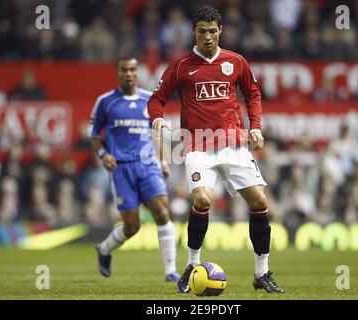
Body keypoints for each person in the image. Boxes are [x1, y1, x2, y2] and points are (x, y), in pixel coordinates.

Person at [148, 6, 284, 293]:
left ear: (220, 30)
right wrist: (158, 119)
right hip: (198, 144)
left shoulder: (235, 61)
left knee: (259, 202)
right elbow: (156, 99)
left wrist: (255, 126)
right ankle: (191, 265)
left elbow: (253, 93)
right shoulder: (181, 65)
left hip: (233, 143)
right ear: (193, 32)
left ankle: (261, 273)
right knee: (201, 199)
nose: (207, 37)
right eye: (202, 32)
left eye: (212, 31)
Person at [89, 57, 180, 282]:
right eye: (124, 70)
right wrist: (103, 155)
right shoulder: (105, 101)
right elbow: (93, 134)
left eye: (132, 70)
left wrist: (163, 161)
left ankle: (171, 271)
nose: (128, 74)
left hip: (147, 164)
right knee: (132, 226)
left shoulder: (149, 100)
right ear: (118, 73)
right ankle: (104, 249)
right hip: (121, 168)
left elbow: (156, 133)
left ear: (137, 72)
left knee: (162, 211)